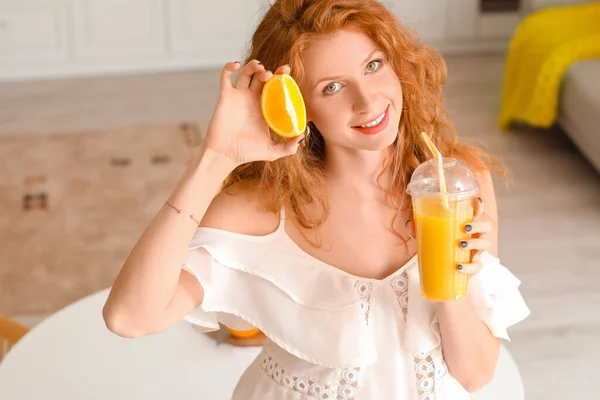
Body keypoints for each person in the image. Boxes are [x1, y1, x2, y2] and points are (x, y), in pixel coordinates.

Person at [102, 0, 530, 398]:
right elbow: (131, 318)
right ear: (297, 104)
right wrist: (215, 158)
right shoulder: (261, 211)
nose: (367, 102)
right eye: (332, 87)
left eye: (373, 65)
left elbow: (475, 374)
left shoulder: (456, 186)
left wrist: (456, 278)